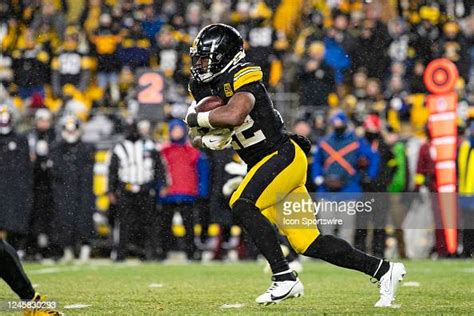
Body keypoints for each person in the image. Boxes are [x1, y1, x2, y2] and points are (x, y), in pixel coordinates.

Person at [185, 23, 406, 307]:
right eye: (198, 58)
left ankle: (284, 277)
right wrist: (203, 140)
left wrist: (196, 120)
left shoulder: (243, 73)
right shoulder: (200, 85)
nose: (199, 65)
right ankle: (384, 270)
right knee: (309, 242)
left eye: (205, 58)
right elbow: (199, 136)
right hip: (265, 164)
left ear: (224, 55)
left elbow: (234, 114)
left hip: (282, 156)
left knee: (242, 203)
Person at [108, 119, 166, 261]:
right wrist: (110, 190)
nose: (133, 132)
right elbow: (113, 170)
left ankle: (148, 253)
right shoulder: (120, 147)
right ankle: (120, 254)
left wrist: (162, 184)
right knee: (124, 223)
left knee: (147, 223)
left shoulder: (149, 145)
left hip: (145, 189)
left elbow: (159, 167)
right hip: (126, 189)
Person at [49, 115, 95, 262]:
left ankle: (85, 249)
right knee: (64, 221)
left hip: (83, 190)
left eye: (73, 130)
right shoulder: (57, 148)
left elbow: (87, 173)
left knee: (84, 220)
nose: (71, 133)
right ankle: (67, 250)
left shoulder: (86, 148)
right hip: (64, 191)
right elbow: (56, 172)